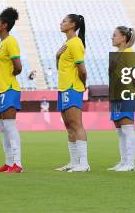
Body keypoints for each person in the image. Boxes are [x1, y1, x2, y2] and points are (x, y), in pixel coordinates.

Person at [54, 14, 89, 172]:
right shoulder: (67, 44)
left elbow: (82, 70)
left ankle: (84, 163)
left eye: (64, 21)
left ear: (73, 25)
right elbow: (61, 69)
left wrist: (82, 84)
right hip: (63, 88)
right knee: (68, 126)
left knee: (76, 124)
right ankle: (74, 162)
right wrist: (57, 56)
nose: (61, 23)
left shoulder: (75, 43)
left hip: (72, 87)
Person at [0, 7, 23, 173]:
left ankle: (17, 163)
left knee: (9, 125)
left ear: (4, 25)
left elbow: (18, 67)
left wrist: (10, 78)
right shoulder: (0, 44)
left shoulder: (11, 42)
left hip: (8, 88)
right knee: (3, 127)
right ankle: (9, 162)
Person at [108, 26, 135, 172]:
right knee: (120, 130)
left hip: (125, 94)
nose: (112, 37)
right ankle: (123, 161)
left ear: (123, 37)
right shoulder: (116, 54)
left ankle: (130, 163)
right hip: (116, 95)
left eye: (114, 35)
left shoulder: (128, 53)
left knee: (127, 128)